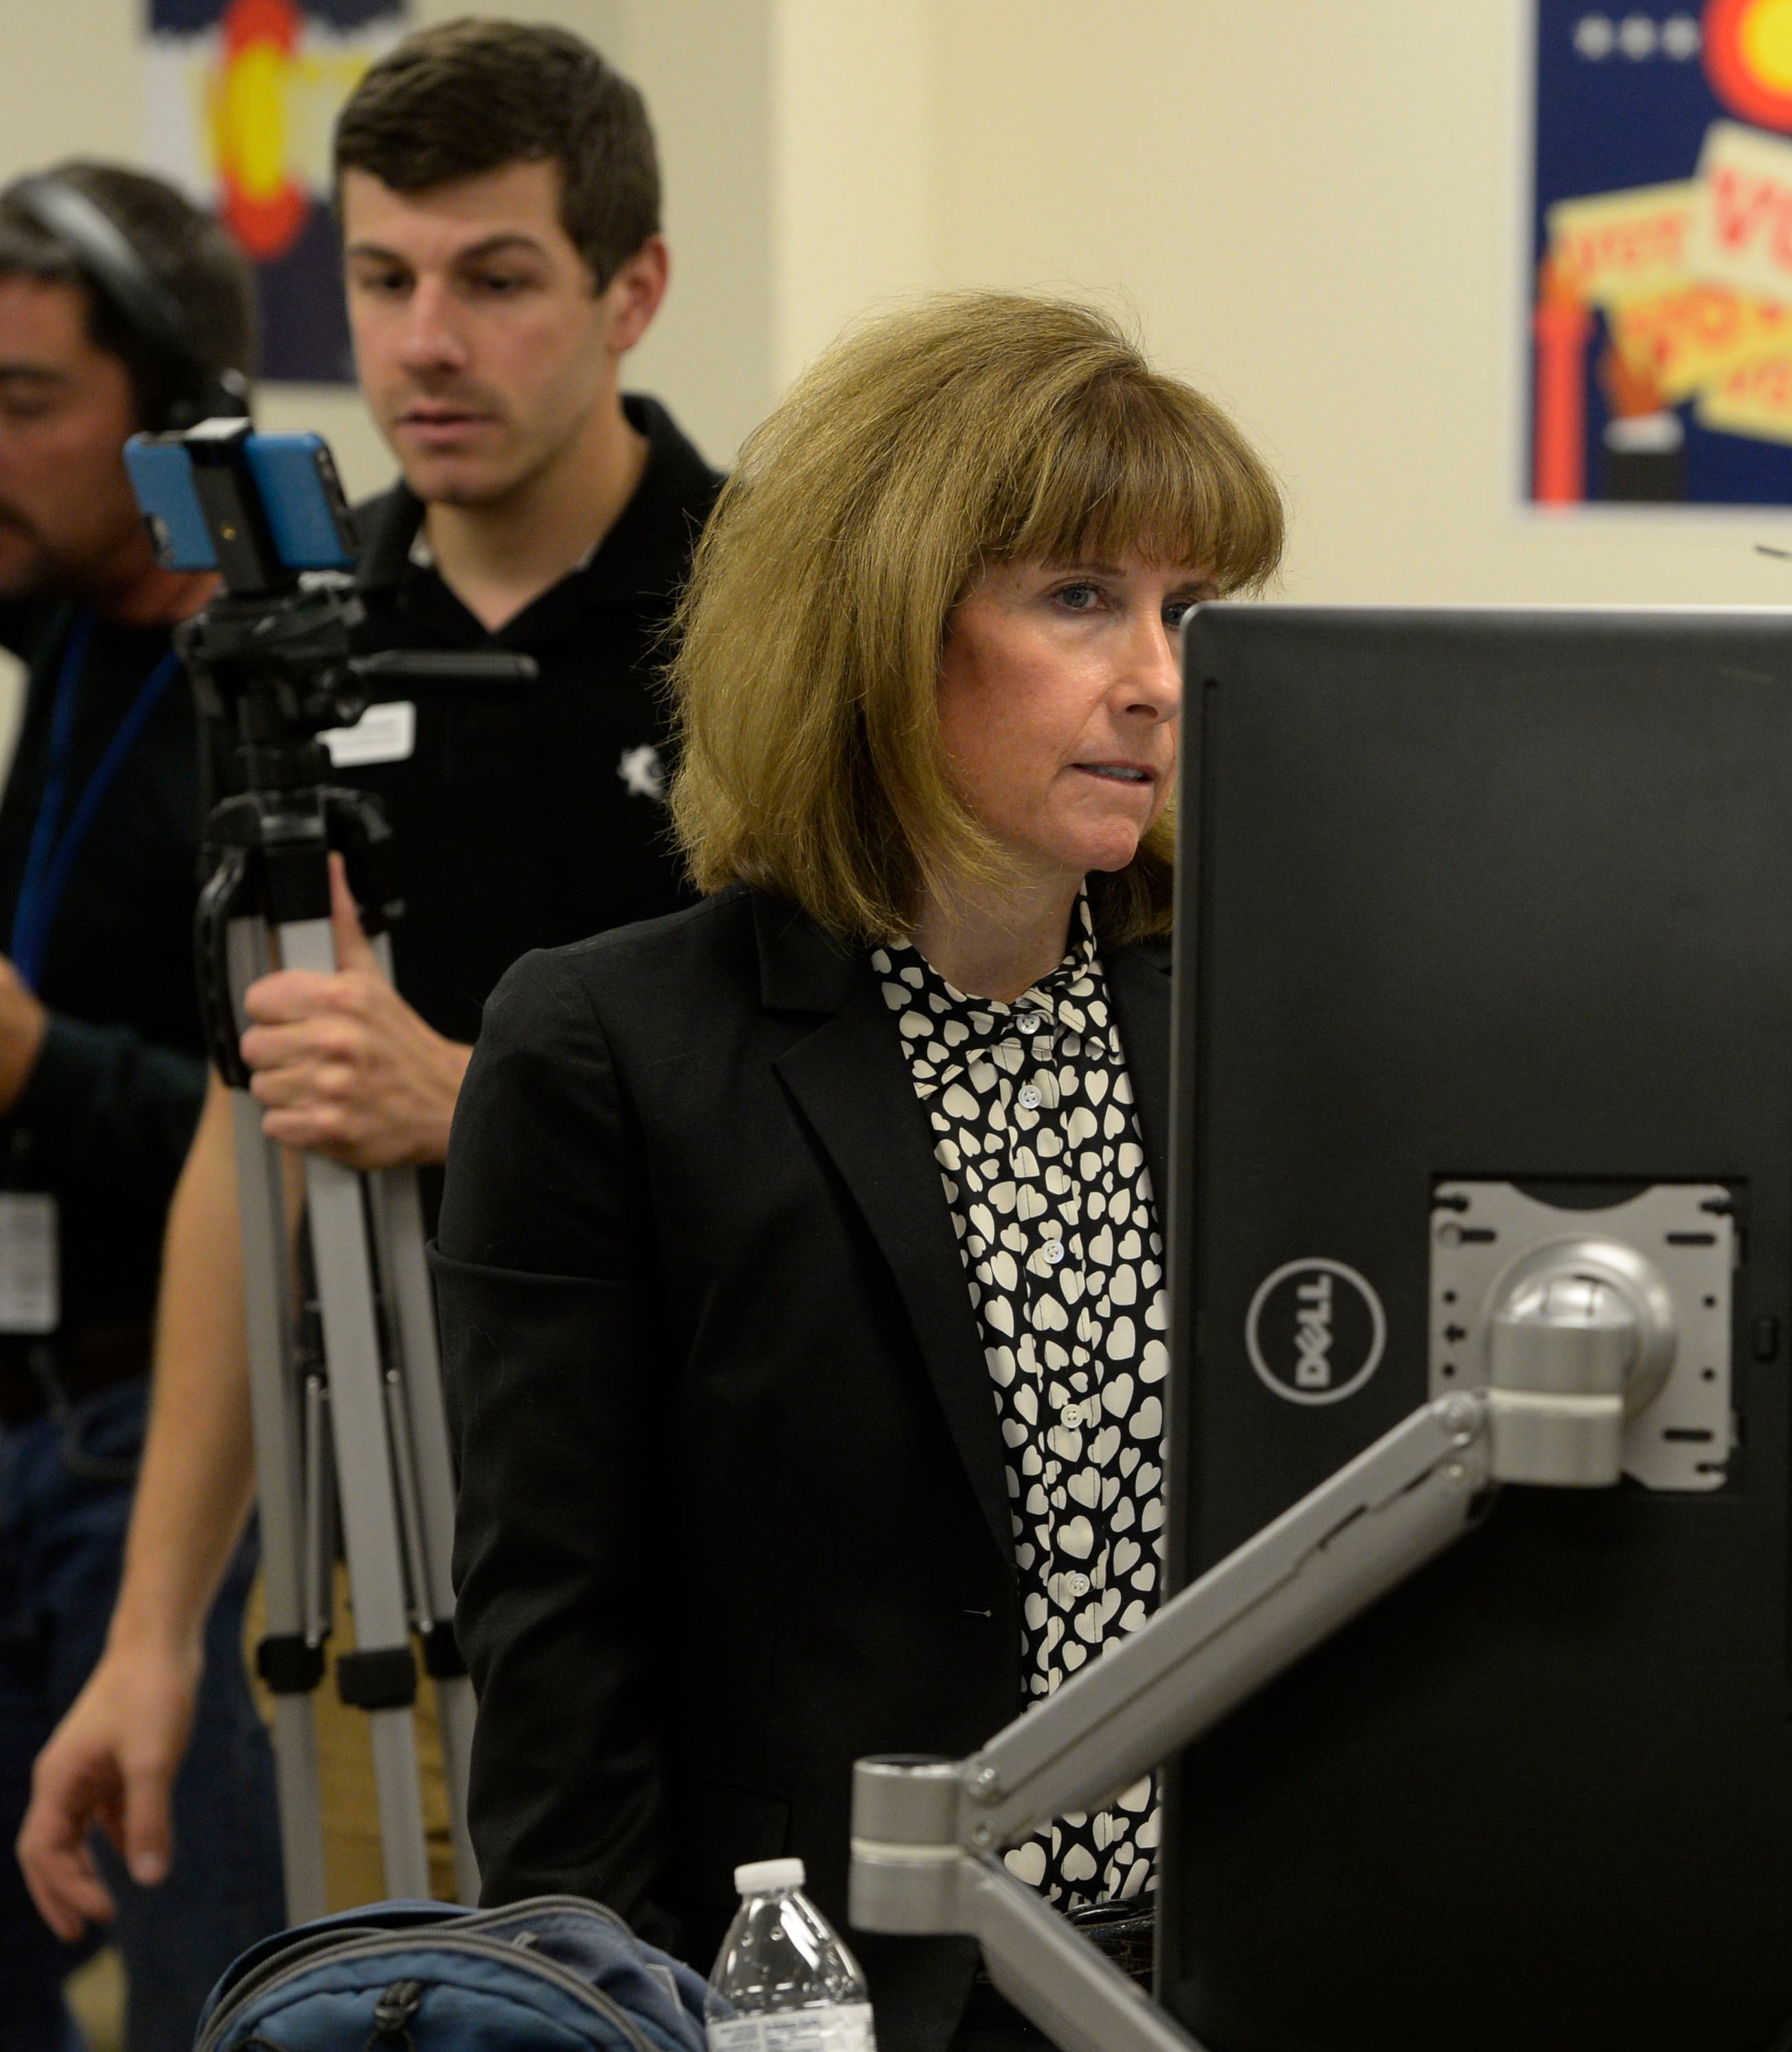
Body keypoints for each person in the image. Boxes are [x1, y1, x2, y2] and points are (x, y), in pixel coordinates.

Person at [429, 290, 1282, 2052]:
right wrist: (607, 2015)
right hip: (822, 1994)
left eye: (1189, 612)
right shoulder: (611, 1049)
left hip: (1211, 1966)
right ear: (882, 624)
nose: (1156, 677)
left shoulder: (1252, 1021)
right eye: (1078, 598)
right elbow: (557, 1644)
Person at [19, 19, 716, 1941]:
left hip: (702, 1557)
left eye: (496, 279)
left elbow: (843, 1122)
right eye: (385, 278)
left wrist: (481, 1097)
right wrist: (156, 1627)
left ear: (630, 288)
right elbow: (252, 1137)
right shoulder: (286, 655)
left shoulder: (759, 621)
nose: (425, 342)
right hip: (363, 1556)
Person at [0, 161, 282, 2052]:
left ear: (174, 416)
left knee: (211, 2004)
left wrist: (35, 1068)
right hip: (24, 1412)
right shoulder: (77, 637)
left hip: (152, 1461)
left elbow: (268, 1121)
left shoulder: (255, 704)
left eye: (27, 405)